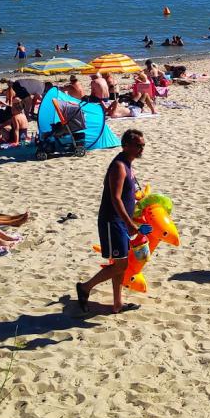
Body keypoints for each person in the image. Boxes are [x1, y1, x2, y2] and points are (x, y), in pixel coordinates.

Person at [75, 129, 146, 314]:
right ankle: (85, 287)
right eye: (138, 145)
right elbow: (115, 198)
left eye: (143, 145)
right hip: (112, 221)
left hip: (122, 221)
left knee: (120, 264)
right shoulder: (119, 166)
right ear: (126, 146)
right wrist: (129, 224)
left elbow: (127, 193)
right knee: (121, 264)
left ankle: (117, 303)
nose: (141, 149)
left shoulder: (128, 165)